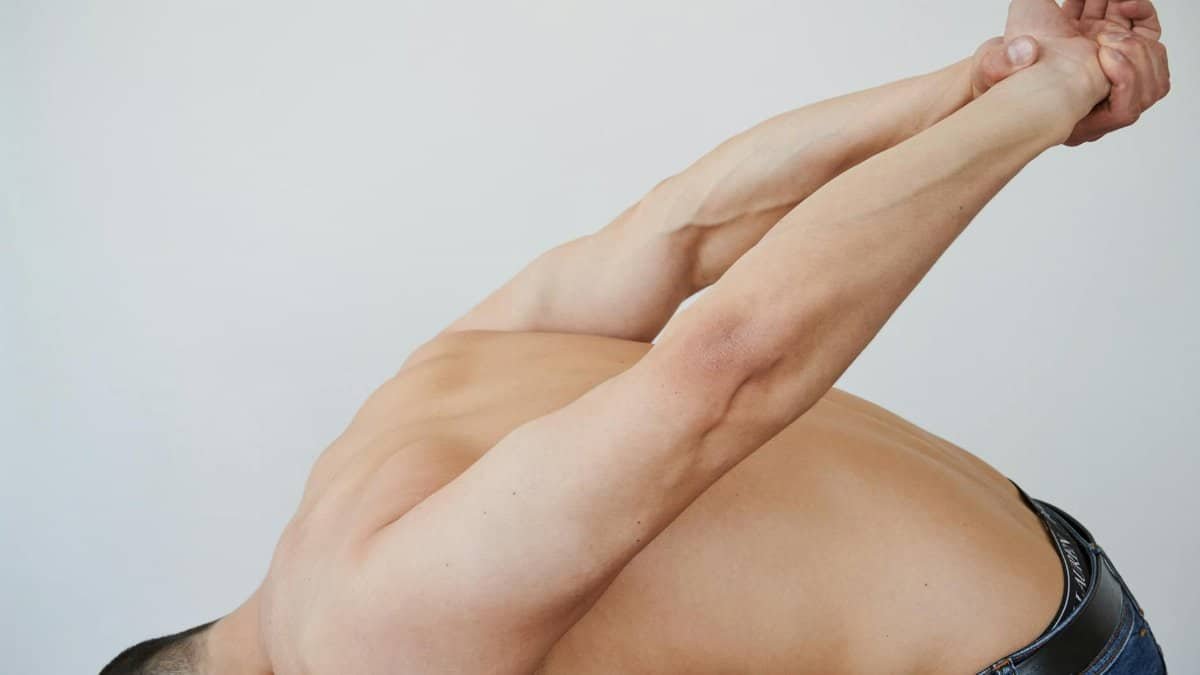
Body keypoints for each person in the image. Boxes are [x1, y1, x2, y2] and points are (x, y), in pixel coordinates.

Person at [100, 0, 1172, 673]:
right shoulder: (373, 436)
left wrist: (1047, 95)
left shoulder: (364, 644)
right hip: (1045, 574)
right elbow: (680, 225)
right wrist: (989, 80)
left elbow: (725, 366)